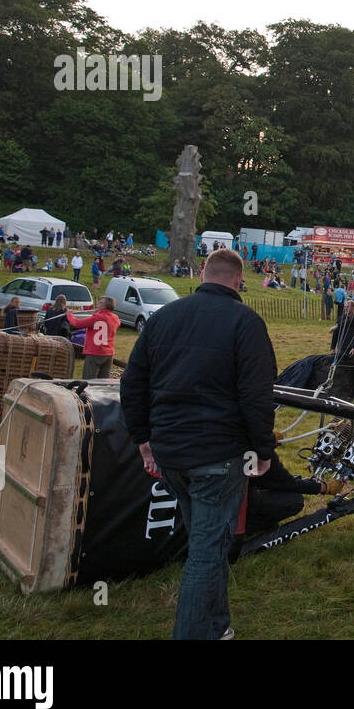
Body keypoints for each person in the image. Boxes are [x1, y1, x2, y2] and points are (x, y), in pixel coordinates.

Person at [120, 249, 277, 640]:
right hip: (218, 457)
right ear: (239, 281)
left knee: (211, 541)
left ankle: (216, 625)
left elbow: (131, 383)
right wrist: (263, 450)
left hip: (171, 454)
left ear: (202, 272)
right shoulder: (246, 322)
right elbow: (256, 396)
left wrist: (143, 439)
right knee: (206, 553)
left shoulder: (164, 318)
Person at [68, 297, 121, 378]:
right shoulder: (115, 318)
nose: (98, 304)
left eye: (100, 303)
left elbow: (77, 323)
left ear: (104, 306)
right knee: (104, 381)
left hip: (94, 352)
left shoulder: (96, 318)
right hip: (108, 353)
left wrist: (69, 315)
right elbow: (116, 323)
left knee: (88, 379)